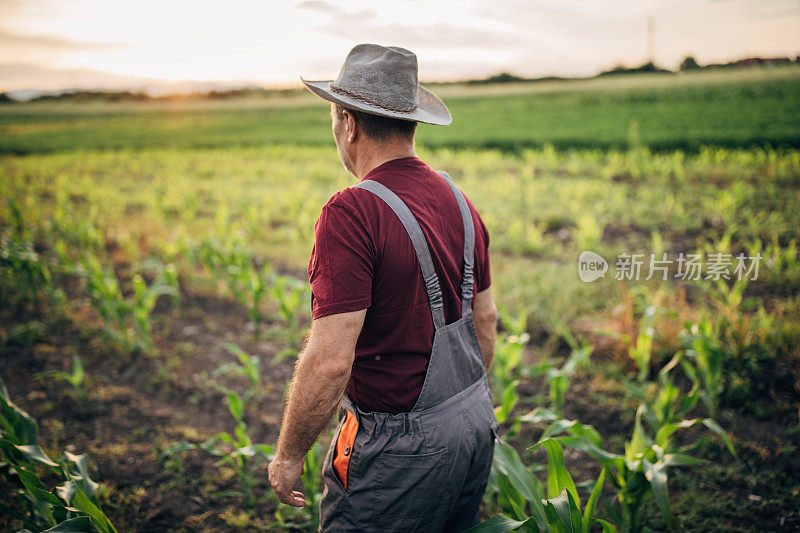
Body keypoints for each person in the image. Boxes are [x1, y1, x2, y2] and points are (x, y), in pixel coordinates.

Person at [268, 43, 500, 532]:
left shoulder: (351, 213)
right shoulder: (461, 201)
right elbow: (486, 321)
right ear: (411, 122)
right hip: (474, 422)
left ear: (349, 123)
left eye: (333, 117)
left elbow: (331, 361)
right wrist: (454, 408)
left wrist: (289, 454)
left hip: (399, 455)